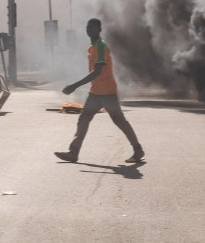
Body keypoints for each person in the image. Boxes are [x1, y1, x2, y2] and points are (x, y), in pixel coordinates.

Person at [54, 18, 145, 164]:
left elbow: (97, 72)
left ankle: (138, 150)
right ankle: (73, 152)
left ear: (99, 30)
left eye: (92, 27)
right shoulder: (92, 48)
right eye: (87, 27)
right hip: (95, 92)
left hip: (107, 92)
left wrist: (75, 85)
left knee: (119, 121)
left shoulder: (101, 47)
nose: (89, 30)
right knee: (84, 118)